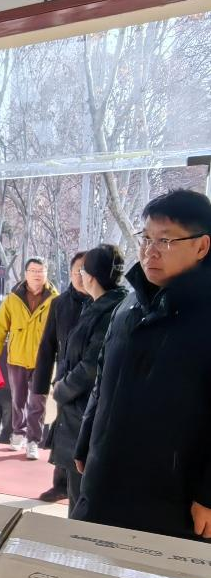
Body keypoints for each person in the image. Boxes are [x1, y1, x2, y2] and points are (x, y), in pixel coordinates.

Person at [73, 190, 211, 541]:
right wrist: (86, 439)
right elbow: (103, 377)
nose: (150, 251)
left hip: (171, 494)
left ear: (202, 246)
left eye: (165, 240)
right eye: (146, 238)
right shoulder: (128, 305)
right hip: (105, 477)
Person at [48, 245, 127, 513]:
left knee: (82, 501)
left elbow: (92, 366)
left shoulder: (110, 311)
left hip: (85, 416)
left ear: (90, 276)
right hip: (79, 414)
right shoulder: (98, 306)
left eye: (81, 270)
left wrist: (62, 389)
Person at [0, 258, 58, 461]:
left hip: (43, 360)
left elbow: (62, 330)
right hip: (17, 358)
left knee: (38, 401)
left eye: (41, 270)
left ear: (46, 273)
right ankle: (18, 432)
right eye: (33, 270)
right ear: (26, 273)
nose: (37, 274)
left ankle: (33, 441)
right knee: (18, 399)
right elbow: (0, 327)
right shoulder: (13, 299)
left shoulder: (55, 299)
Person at [33, 251, 90, 501]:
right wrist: (40, 386)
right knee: (62, 431)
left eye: (87, 271)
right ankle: (60, 484)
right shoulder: (60, 303)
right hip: (64, 379)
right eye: (78, 271)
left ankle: (81, 487)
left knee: (83, 433)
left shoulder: (100, 302)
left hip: (89, 380)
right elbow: (47, 345)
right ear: (70, 273)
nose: (82, 277)